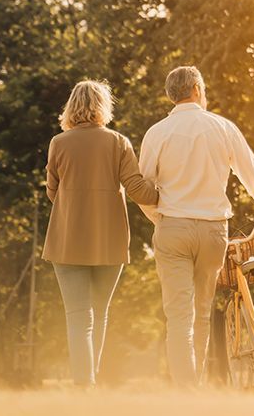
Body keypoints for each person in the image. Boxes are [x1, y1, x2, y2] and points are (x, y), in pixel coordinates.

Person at [139, 66, 254, 387]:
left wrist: (161, 218)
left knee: (179, 317)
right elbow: (250, 170)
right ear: (196, 89)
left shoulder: (157, 133)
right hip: (213, 231)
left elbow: (144, 189)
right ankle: (198, 387)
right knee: (202, 313)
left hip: (173, 229)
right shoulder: (222, 127)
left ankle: (187, 393)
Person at [44, 80, 159, 387]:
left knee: (78, 317)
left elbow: (52, 192)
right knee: (100, 312)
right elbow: (138, 190)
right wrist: (167, 194)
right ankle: (89, 382)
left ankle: (85, 386)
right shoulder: (118, 142)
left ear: (71, 107)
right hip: (109, 240)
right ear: (103, 107)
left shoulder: (58, 143)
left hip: (67, 240)